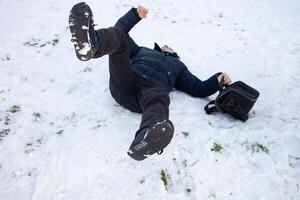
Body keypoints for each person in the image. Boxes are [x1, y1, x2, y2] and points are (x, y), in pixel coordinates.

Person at [69, 2, 232, 161]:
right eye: (165, 45)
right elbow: (121, 30)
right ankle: (91, 43)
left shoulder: (179, 67)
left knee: (160, 97)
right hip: (127, 80)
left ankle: (146, 138)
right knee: (119, 36)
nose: (167, 44)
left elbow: (198, 88)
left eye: (170, 46)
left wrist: (218, 79)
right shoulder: (141, 51)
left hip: (146, 94)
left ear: (174, 53)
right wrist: (134, 15)